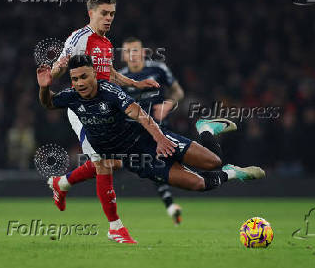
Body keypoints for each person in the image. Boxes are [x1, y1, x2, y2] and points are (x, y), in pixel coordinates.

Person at [36, 55, 265, 244]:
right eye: (75, 79)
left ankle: (205, 129)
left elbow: (140, 114)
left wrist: (160, 140)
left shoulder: (110, 92)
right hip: (138, 160)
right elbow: (48, 103)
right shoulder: (71, 97)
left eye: (84, 76)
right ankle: (234, 173)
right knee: (199, 184)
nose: (80, 83)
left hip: (151, 139)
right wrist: (45, 88)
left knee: (213, 162)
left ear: (95, 74)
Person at [46, 0, 158, 243]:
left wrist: (136, 84)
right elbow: (62, 64)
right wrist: (47, 79)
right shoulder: (80, 38)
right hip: (82, 109)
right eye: (104, 13)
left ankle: (61, 183)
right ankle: (115, 227)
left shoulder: (106, 43)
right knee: (104, 163)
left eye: (112, 14)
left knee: (112, 163)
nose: (108, 18)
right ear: (91, 13)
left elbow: (111, 74)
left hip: (106, 109)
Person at [118, 37, 186, 224]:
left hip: (161, 127)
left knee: (165, 164)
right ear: (123, 55)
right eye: (128, 51)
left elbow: (178, 91)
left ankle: (170, 203)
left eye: (136, 50)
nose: (132, 55)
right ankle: (170, 204)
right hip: (135, 132)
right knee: (152, 164)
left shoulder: (158, 69)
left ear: (143, 53)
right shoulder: (120, 79)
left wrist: (169, 104)